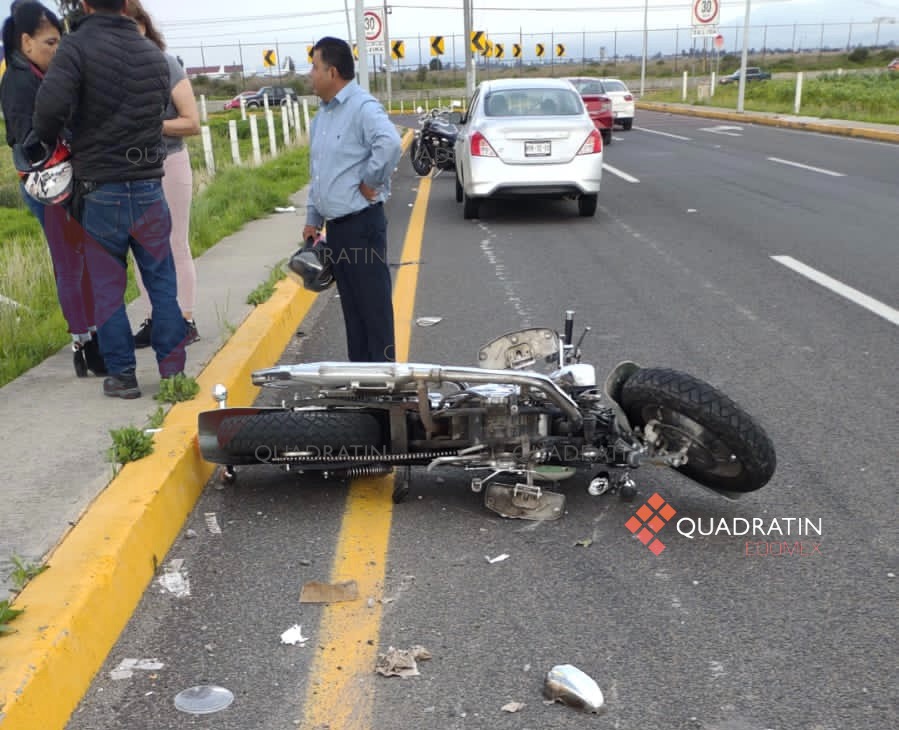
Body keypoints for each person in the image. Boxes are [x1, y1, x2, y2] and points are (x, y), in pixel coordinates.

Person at [30, 0, 186, 399]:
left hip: (101, 187)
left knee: (107, 286)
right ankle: (173, 370)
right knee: (161, 281)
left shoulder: (76, 47)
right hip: (150, 183)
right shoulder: (152, 54)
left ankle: (123, 376)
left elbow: (48, 110)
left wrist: (59, 138)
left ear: (84, 4)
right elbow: (154, 114)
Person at [0, 0, 106, 377]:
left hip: (68, 181)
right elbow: (24, 138)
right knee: (70, 264)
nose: (57, 49)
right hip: (48, 186)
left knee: (86, 261)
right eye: (50, 42)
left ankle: (92, 337)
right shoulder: (18, 81)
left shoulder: (39, 74)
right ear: (26, 42)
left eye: (60, 41)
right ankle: (83, 343)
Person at [303, 36, 402, 362]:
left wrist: (371, 181)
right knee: (354, 315)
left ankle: (387, 395)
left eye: (314, 67)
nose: (310, 73)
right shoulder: (323, 116)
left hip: (362, 225)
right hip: (338, 230)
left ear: (332, 72)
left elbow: (389, 143)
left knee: (374, 314)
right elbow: (320, 171)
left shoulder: (361, 107)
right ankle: (363, 391)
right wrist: (313, 218)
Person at [124, 0, 201, 349]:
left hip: (168, 164)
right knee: (140, 247)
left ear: (145, 27)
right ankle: (157, 318)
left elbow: (192, 122)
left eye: (133, 25)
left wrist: (151, 126)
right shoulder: (114, 73)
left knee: (174, 244)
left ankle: (185, 320)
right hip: (131, 169)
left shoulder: (166, 64)